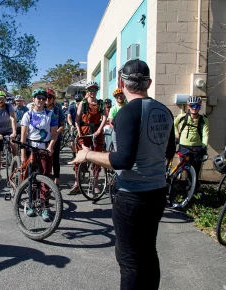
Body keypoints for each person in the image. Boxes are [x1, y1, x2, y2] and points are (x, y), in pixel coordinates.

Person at [70, 59, 176, 290]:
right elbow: (169, 152)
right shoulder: (165, 111)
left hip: (132, 196)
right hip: (157, 192)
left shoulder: (127, 113)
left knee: (129, 260)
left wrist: (87, 155)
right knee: (148, 252)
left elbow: (123, 160)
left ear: (122, 82)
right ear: (149, 82)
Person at [20, 88, 58, 221]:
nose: (41, 100)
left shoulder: (50, 114)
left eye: (43, 98)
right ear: (33, 99)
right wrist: (23, 154)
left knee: (45, 178)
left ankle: (45, 206)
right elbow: (23, 136)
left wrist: (50, 147)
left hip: (45, 148)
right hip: (31, 148)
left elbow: (54, 134)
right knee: (31, 178)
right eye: (38, 98)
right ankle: (31, 204)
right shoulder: (28, 115)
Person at [69, 81, 106, 194]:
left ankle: (95, 184)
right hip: (84, 131)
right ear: (87, 91)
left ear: (97, 91)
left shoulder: (100, 103)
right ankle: (77, 183)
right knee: (80, 157)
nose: (92, 92)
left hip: (96, 131)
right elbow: (77, 119)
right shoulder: (83, 103)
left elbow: (104, 117)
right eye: (90, 90)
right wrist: (79, 131)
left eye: (94, 89)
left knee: (97, 158)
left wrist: (99, 130)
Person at [174, 96, 209, 188]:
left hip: (197, 147)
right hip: (184, 146)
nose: (194, 108)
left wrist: (204, 146)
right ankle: (183, 185)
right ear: (188, 106)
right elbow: (174, 124)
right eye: (192, 105)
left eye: (197, 106)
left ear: (200, 107)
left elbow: (205, 134)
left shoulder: (203, 119)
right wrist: (176, 133)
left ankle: (194, 188)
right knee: (184, 167)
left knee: (196, 168)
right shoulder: (181, 117)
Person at [0, 90, 17, 182]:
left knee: (13, 145)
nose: (1, 100)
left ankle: (16, 162)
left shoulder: (9, 106)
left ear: (5, 99)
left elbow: (13, 119)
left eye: (2, 98)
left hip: (8, 131)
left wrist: (14, 132)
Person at [45, 89, 65, 186]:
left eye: (50, 97)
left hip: (55, 138)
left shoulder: (58, 110)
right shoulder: (41, 109)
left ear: (53, 99)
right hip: (43, 138)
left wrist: (55, 133)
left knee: (55, 159)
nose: (47, 99)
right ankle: (45, 178)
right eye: (46, 97)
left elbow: (62, 125)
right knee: (44, 159)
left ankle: (56, 180)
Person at [67, 94, 83, 159]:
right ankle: (74, 155)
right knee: (72, 143)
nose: (78, 102)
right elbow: (69, 117)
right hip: (73, 125)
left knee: (82, 141)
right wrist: (71, 125)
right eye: (77, 100)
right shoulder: (71, 107)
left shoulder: (84, 107)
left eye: (79, 100)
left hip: (82, 125)